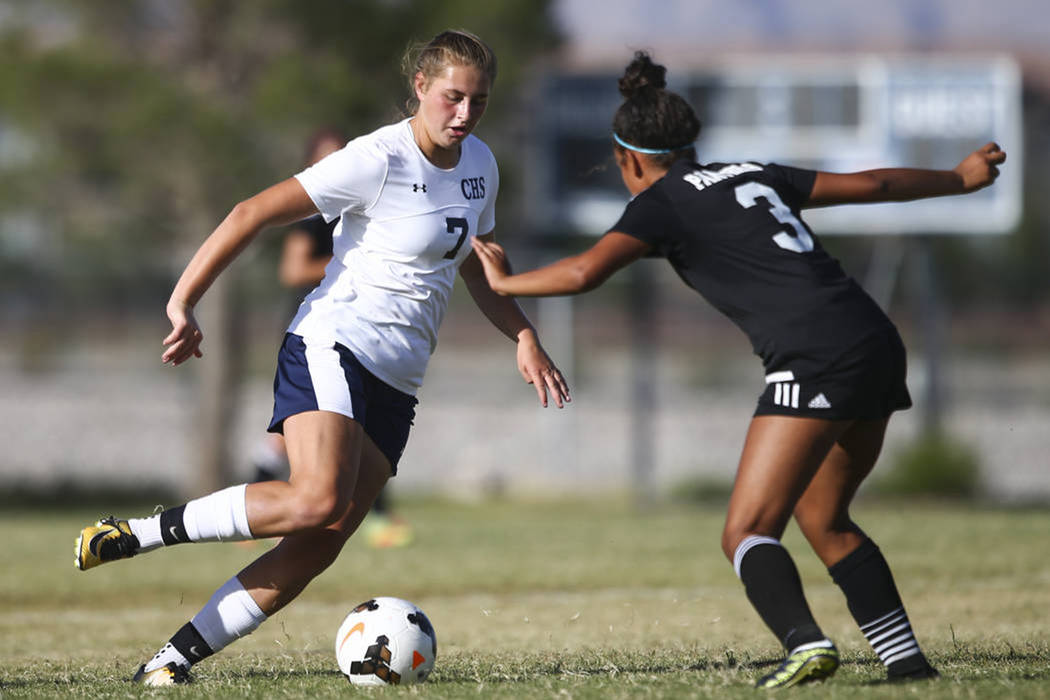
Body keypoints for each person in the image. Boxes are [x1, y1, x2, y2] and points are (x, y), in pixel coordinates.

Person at [471, 51, 1005, 689]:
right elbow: (874, 185)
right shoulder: (756, 172)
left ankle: (805, 644)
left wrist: (506, 279)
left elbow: (587, 271)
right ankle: (908, 665)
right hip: (875, 341)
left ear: (629, 159)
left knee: (747, 530)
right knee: (824, 518)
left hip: (815, 356)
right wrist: (959, 177)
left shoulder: (661, 203)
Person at [73, 29, 570, 686]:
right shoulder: (375, 159)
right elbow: (250, 213)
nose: (463, 115)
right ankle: (139, 533)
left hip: (399, 378)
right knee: (314, 498)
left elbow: (479, 264)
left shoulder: (481, 163)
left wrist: (524, 334)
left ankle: (170, 662)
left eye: (478, 102)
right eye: (452, 98)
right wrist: (183, 302)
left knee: (321, 539)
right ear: (420, 88)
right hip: (335, 341)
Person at [252, 126, 413, 548]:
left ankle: (375, 518)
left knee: (355, 435)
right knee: (295, 442)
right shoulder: (314, 216)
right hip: (316, 334)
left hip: (359, 333)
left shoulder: (364, 205)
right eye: (324, 158)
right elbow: (291, 271)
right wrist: (353, 263)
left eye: (340, 155)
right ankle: (242, 515)